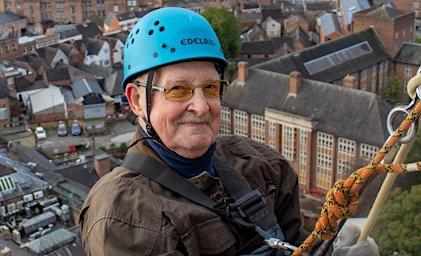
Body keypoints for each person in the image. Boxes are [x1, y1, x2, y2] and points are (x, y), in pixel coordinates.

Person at [79, 7, 378, 255]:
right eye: (178, 90)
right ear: (136, 100)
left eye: (210, 87)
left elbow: (294, 244)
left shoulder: (263, 167)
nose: (200, 105)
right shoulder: (122, 218)